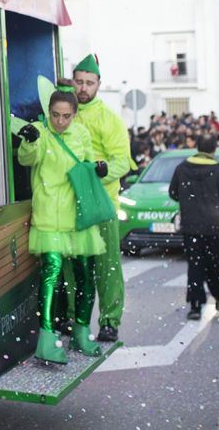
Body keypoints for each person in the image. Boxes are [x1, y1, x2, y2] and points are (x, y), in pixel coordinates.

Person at [14, 90, 106, 363]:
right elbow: (26, 159)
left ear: (75, 115)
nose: (61, 121)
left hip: (78, 216)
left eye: (67, 116)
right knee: (51, 275)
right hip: (50, 217)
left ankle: (81, 332)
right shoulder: (41, 133)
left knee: (86, 276)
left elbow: (88, 164)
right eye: (56, 115)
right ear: (49, 111)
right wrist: (29, 142)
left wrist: (99, 168)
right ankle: (47, 338)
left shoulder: (81, 134)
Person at [70, 53, 135, 343]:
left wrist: (97, 172)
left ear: (98, 85)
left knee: (106, 267)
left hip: (102, 204)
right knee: (74, 268)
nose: (83, 88)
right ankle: (75, 321)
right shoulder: (63, 114)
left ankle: (110, 321)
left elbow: (123, 162)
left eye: (89, 83)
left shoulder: (109, 119)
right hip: (69, 206)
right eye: (79, 82)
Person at [169, 134, 219, 320]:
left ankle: (195, 305)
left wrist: (189, 200)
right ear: (214, 149)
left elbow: (173, 192)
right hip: (214, 226)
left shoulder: (182, 168)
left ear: (197, 147)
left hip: (191, 227)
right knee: (216, 266)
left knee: (195, 266)